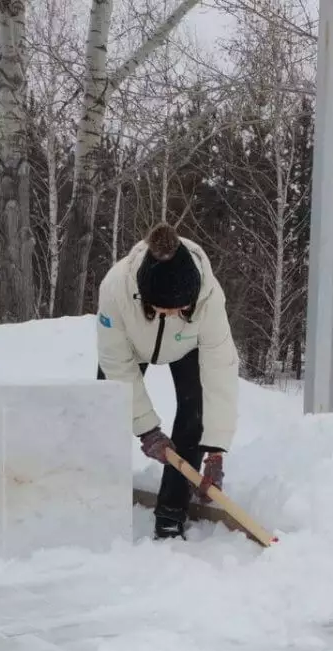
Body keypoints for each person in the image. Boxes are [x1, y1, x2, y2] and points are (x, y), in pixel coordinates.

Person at [95, 221, 240, 540]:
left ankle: (171, 513)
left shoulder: (209, 295)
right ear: (146, 299)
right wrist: (147, 429)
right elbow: (116, 364)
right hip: (131, 345)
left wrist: (215, 450)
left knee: (194, 418)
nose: (175, 314)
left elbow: (220, 368)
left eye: (182, 309)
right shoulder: (116, 288)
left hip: (187, 346)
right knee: (105, 410)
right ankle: (97, 502)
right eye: (166, 309)